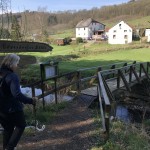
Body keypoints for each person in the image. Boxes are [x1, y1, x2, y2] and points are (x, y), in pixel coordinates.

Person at [0, 53, 37, 150]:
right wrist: (30, 100)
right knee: (21, 125)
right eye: (17, 63)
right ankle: (10, 147)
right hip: (13, 108)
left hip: (1, 109)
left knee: (8, 128)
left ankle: (6, 148)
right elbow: (17, 94)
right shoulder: (12, 76)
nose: (17, 66)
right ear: (11, 64)